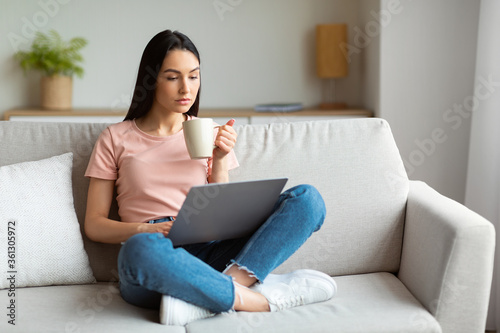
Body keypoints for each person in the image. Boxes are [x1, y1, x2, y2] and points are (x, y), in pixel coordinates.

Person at [84, 29, 336, 326]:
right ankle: (253, 300)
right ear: (151, 80)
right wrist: (145, 230)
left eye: (193, 76)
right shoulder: (115, 138)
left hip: (209, 246)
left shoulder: (208, 132)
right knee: (139, 251)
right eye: (172, 77)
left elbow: (223, 209)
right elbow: (95, 225)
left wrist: (218, 160)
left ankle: (216, 293)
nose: (186, 89)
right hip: (155, 255)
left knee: (308, 199)